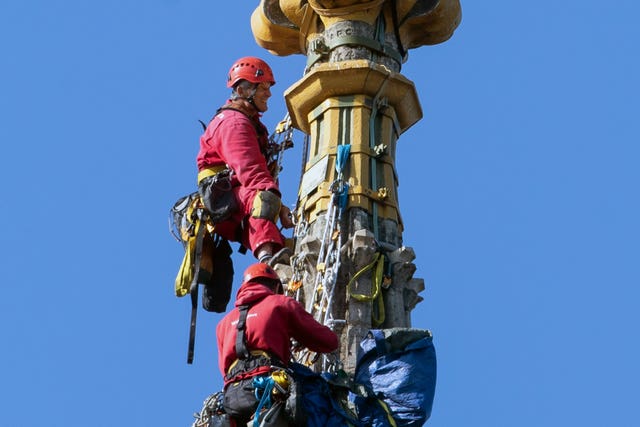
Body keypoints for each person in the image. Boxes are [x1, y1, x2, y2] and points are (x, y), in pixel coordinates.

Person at [196, 56, 294, 266]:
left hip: (236, 197)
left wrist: (280, 207)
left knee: (269, 208)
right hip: (222, 196)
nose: (268, 93)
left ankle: (278, 260)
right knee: (265, 198)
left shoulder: (250, 123)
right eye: (262, 87)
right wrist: (277, 204)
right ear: (242, 92)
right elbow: (251, 171)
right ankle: (268, 260)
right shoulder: (233, 123)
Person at [217, 263, 339, 426]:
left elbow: (224, 368)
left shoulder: (223, 324)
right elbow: (327, 341)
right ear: (275, 286)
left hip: (231, 397)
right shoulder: (280, 303)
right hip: (268, 387)